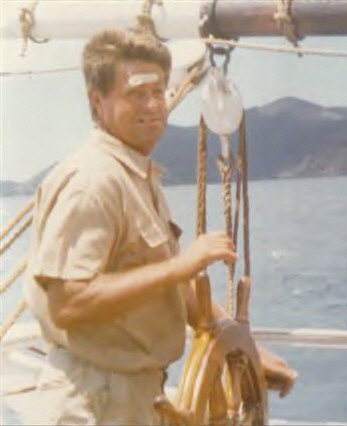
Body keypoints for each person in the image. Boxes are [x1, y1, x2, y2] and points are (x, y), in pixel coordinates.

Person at [23, 28, 296, 425]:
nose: (153, 105)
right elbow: (67, 304)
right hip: (92, 402)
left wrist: (244, 349)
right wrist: (181, 265)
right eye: (136, 93)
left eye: (159, 91)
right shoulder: (91, 182)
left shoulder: (136, 176)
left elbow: (171, 284)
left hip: (134, 397)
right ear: (97, 101)